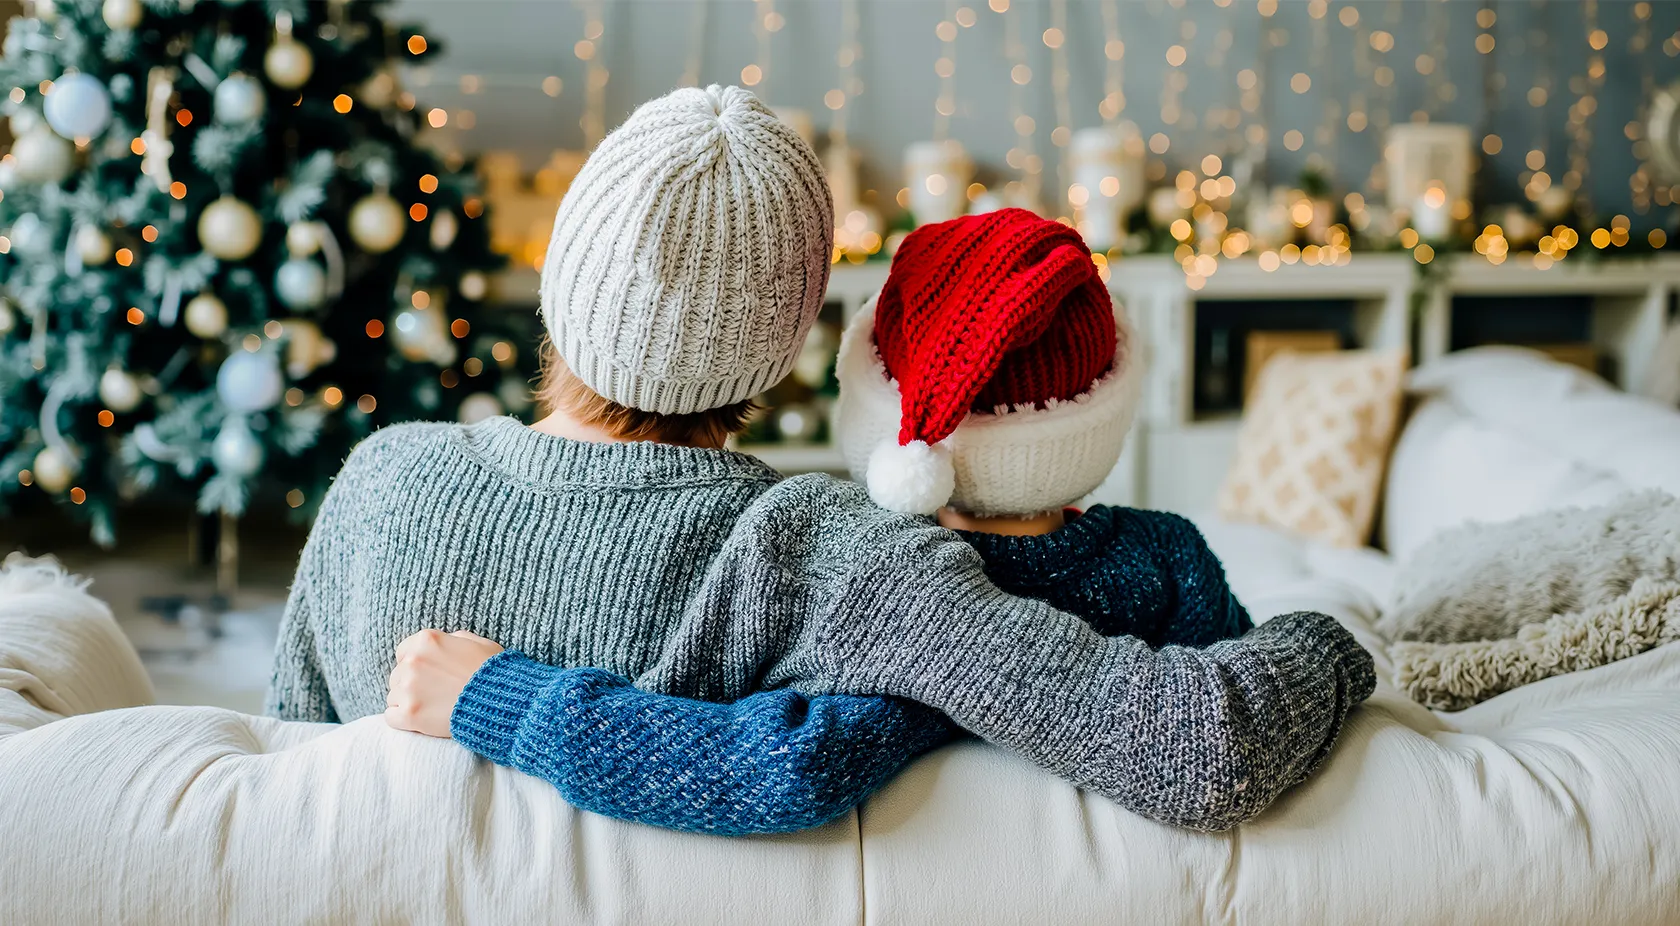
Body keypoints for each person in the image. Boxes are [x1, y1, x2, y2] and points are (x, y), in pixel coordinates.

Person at [270, 85, 1374, 835]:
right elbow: (1197, 747)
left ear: (565, 279)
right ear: (792, 341)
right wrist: (1346, 637)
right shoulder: (832, 552)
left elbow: (278, 769)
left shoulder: (381, 479)